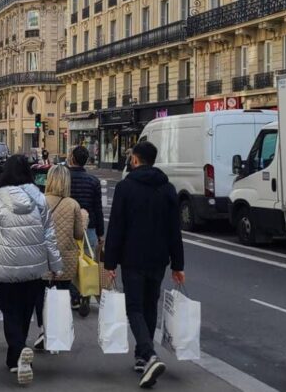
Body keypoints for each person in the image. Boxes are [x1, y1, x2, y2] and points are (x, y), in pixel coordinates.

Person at [103, 141, 185, 389]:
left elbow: (117, 226)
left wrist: (109, 263)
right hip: (159, 258)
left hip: (132, 257)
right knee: (150, 305)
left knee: (135, 307)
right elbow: (175, 230)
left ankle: (149, 355)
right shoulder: (168, 188)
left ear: (135, 160)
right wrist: (178, 264)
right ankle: (141, 355)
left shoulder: (126, 187)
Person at [0, 155, 62, 384]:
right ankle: (16, 357)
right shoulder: (40, 199)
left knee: (10, 310)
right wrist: (56, 266)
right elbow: (49, 236)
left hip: (7, 267)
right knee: (25, 311)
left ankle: (18, 348)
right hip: (35, 269)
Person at [32, 164, 87, 352]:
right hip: (65, 259)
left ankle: (42, 330)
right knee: (61, 296)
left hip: (41, 257)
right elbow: (79, 234)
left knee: (40, 296)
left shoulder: (38, 201)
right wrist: (84, 219)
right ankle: (56, 335)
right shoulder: (73, 204)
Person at [67, 144, 104, 315]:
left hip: (68, 226)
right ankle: (86, 293)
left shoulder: (65, 178)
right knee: (87, 262)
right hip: (90, 226)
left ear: (72, 159)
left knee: (71, 262)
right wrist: (101, 233)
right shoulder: (93, 181)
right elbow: (98, 208)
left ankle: (74, 296)